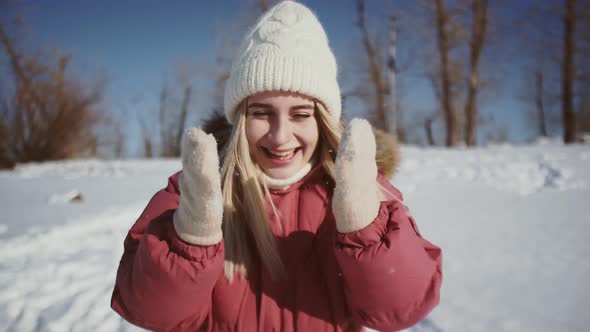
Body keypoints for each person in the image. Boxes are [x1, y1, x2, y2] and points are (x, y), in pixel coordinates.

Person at [110, 1, 442, 331]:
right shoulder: (194, 189)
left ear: (322, 120)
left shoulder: (362, 188)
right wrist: (192, 238)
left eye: (300, 114)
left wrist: (364, 226)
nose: (281, 136)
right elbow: (152, 312)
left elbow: (400, 310)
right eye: (261, 113)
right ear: (240, 118)